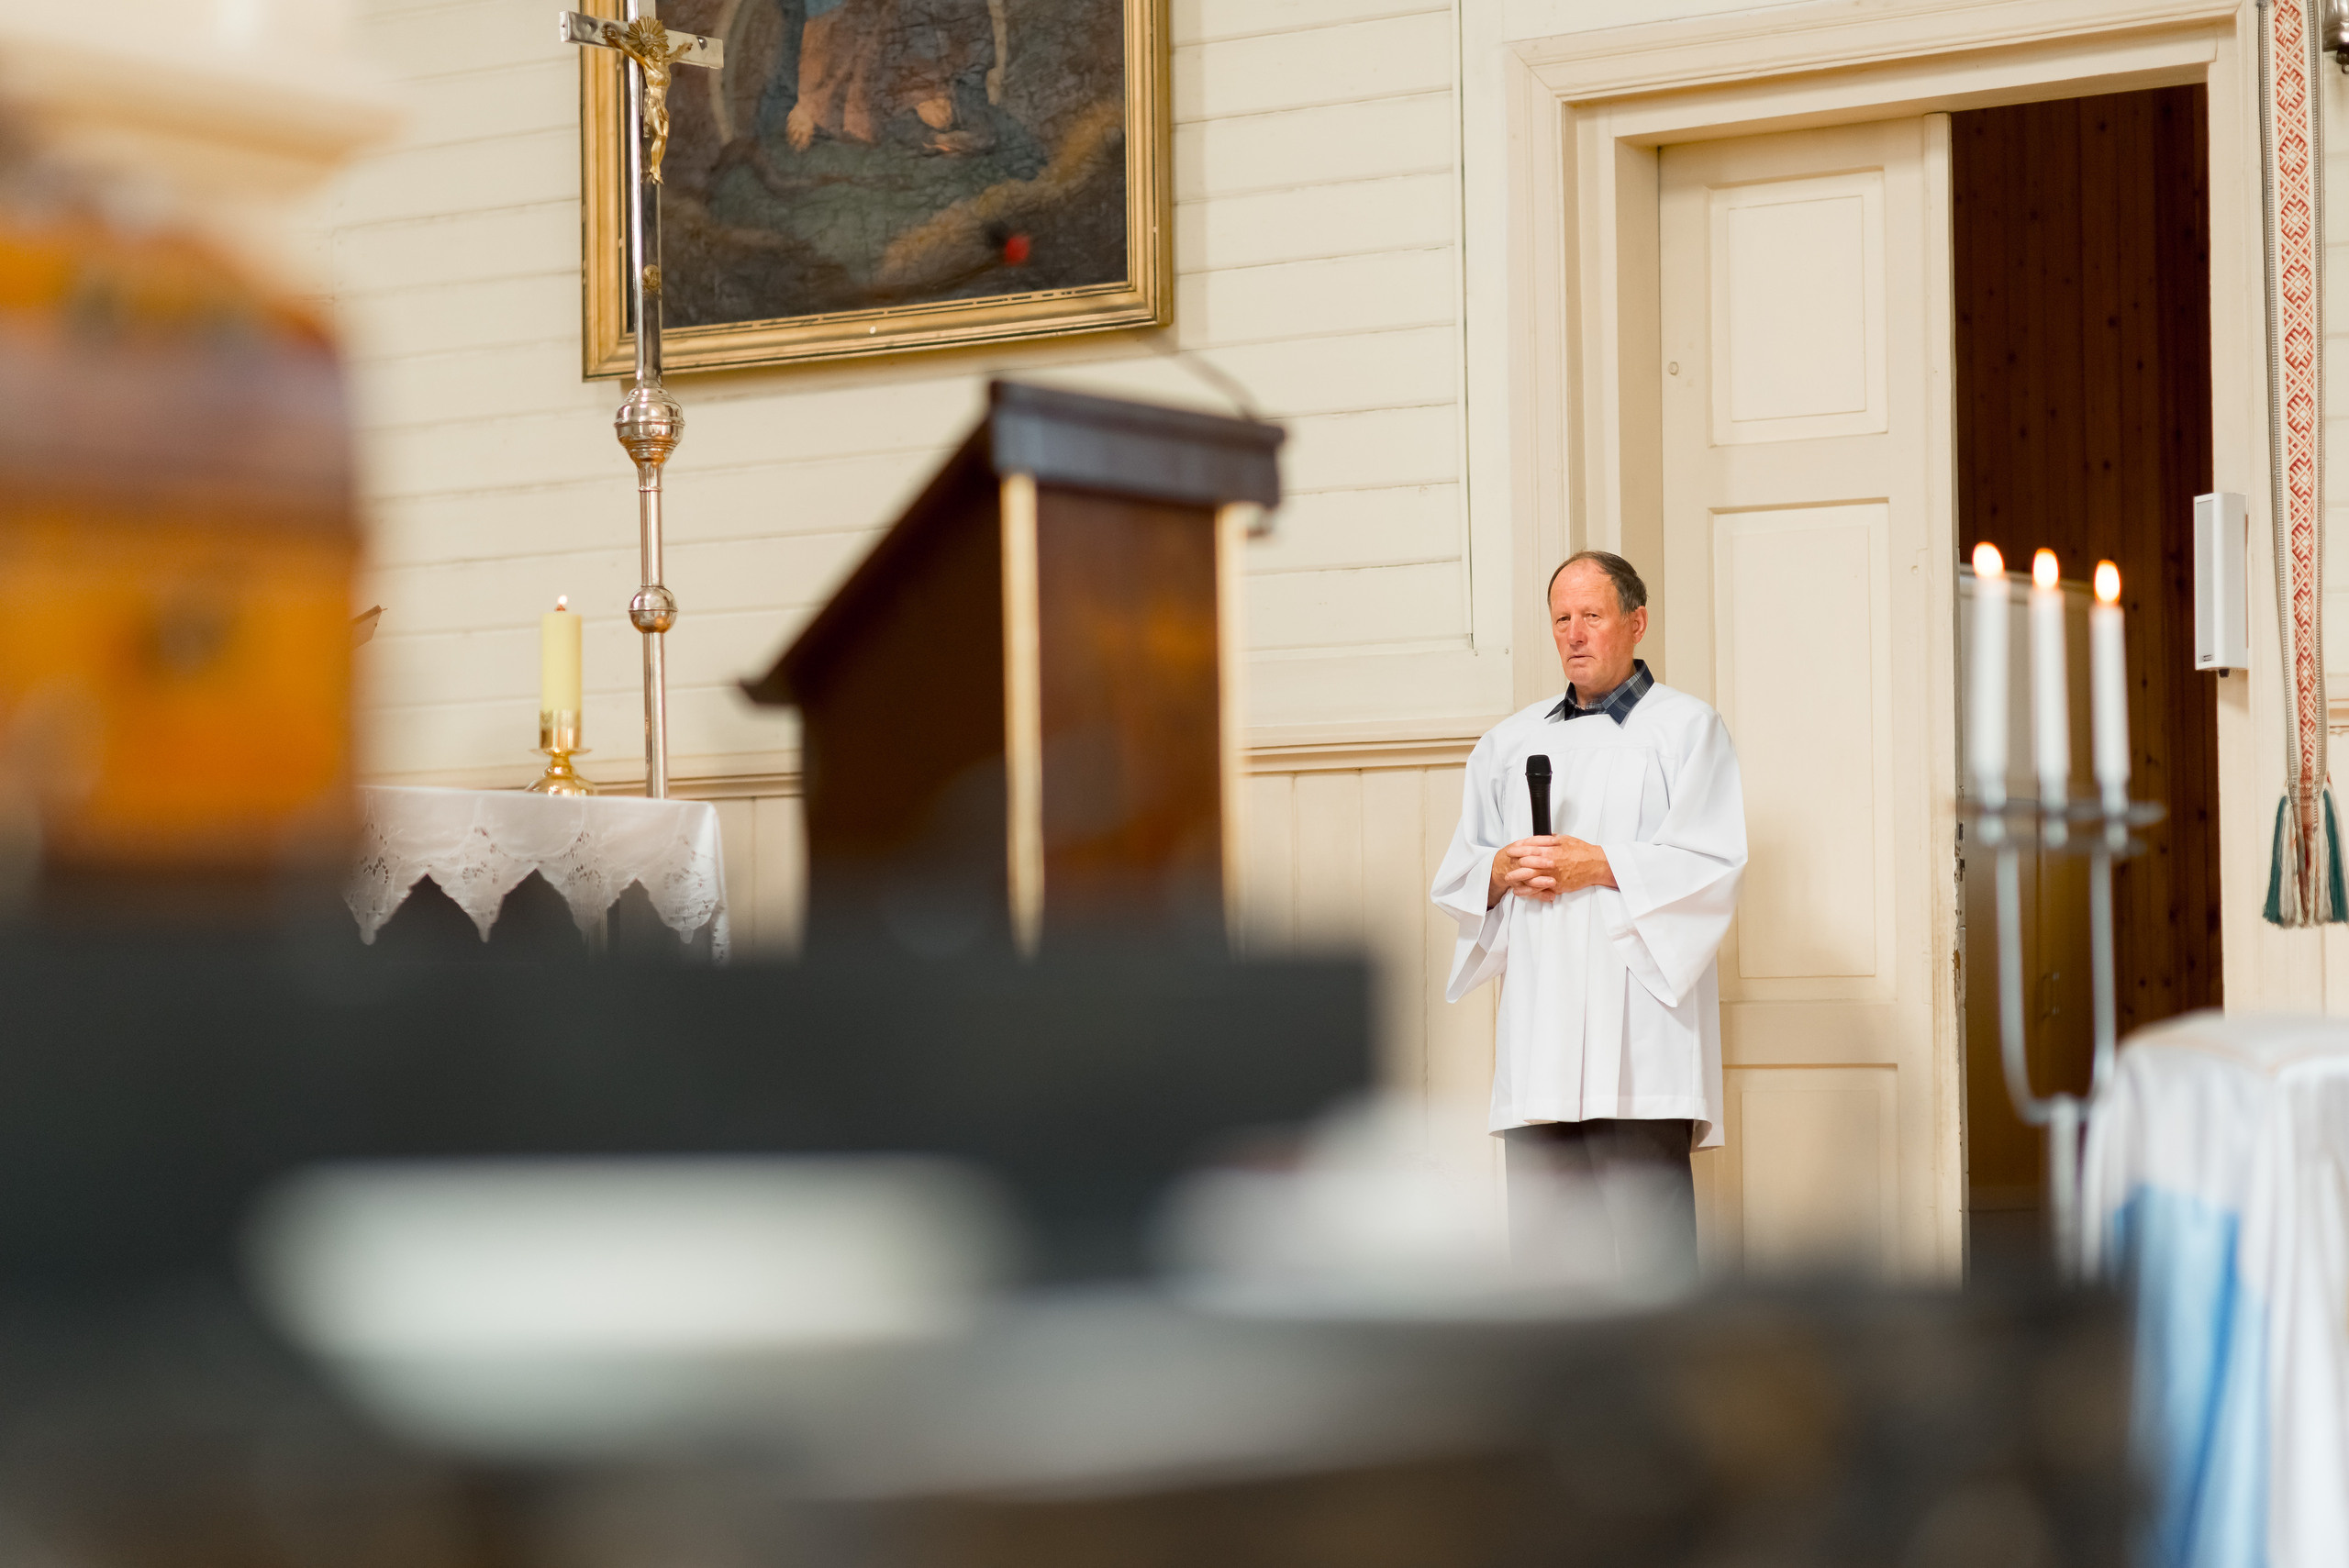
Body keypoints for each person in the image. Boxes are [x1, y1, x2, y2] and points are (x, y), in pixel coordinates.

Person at [1430, 550, 1746, 1279]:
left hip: (1638, 1034)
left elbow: (1713, 862)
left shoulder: (1687, 730)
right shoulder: (1508, 745)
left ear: (1636, 622)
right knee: (1549, 1267)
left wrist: (1598, 864)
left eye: (1592, 616)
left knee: (1649, 1260)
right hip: (1542, 1038)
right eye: (1561, 620)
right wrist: (1501, 870)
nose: (1574, 634)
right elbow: (1459, 875)